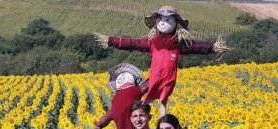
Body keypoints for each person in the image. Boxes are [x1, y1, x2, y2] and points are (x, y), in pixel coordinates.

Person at [94, 6, 230, 117]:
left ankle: (160, 126)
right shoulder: (152, 42)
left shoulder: (179, 44)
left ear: (175, 23)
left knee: (163, 102)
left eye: (168, 19)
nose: (164, 22)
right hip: (153, 79)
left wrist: (212, 47)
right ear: (156, 21)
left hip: (168, 80)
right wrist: (113, 41)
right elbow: (133, 43)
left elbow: (197, 46)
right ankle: (134, 118)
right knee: (139, 99)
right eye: (161, 19)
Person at [94, 63, 149, 129]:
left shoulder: (115, 100)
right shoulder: (135, 90)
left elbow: (108, 116)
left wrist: (99, 124)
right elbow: (147, 85)